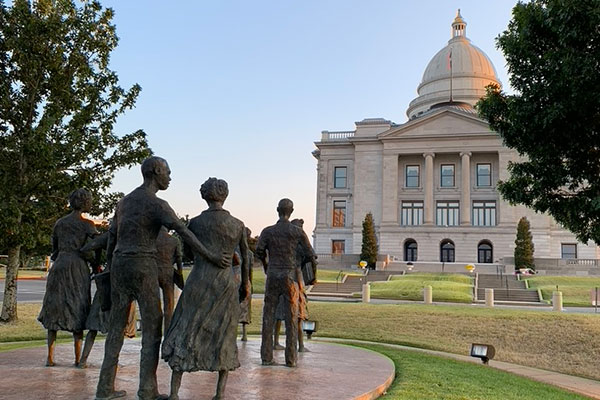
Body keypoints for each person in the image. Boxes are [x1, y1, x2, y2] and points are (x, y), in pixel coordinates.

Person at [94, 157, 231, 400]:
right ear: (156, 172)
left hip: (119, 265)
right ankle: (147, 390)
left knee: (116, 327)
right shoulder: (157, 204)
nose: (169, 176)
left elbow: (111, 237)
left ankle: (104, 388)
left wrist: (108, 267)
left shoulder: (123, 202)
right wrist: (210, 255)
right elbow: (184, 232)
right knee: (152, 328)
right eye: (167, 172)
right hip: (143, 265)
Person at [162, 177, 249, 400]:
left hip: (199, 281)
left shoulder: (195, 224)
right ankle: (219, 394)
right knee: (224, 333)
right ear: (225, 195)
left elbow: (190, 253)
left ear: (204, 196)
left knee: (187, 329)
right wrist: (245, 284)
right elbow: (246, 258)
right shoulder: (237, 224)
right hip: (225, 283)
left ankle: (174, 393)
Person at [38, 188, 97, 367]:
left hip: (60, 266)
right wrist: (95, 264)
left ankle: (50, 357)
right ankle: (79, 359)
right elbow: (95, 247)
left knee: (54, 307)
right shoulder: (87, 224)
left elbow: (54, 249)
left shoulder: (60, 223)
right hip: (77, 267)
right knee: (77, 306)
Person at [256, 198, 316, 367]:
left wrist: (267, 266)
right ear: (292, 211)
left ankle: (266, 357)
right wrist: (309, 272)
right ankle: (291, 359)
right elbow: (310, 254)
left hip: (273, 274)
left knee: (268, 316)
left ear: (277, 210)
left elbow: (259, 251)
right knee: (291, 317)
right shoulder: (297, 232)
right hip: (289, 276)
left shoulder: (268, 231)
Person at [273, 218, 315, 352]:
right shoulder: (300, 244)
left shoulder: (283, 243)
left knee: (281, 312)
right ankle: (300, 345)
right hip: (295, 279)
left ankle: (277, 342)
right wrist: (313, 276)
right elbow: (311, 257)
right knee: (297, 313)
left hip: (282, 277)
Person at [155, 226, 183, 333]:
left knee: (153, 305)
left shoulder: (152, 239)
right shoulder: (174, 240)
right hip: (168, 273)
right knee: (169, 305)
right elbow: (179, 259)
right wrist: (179, 273)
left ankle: (154, 334)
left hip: (153, 272)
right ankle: (167, 332)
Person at [236, 227, 253, 342]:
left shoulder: (234, 250)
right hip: (243, 280)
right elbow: (249, 271)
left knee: (238, 307)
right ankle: (244, 333)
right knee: (244, 308)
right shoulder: (248, 253)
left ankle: (242, 333)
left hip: (236, 280)